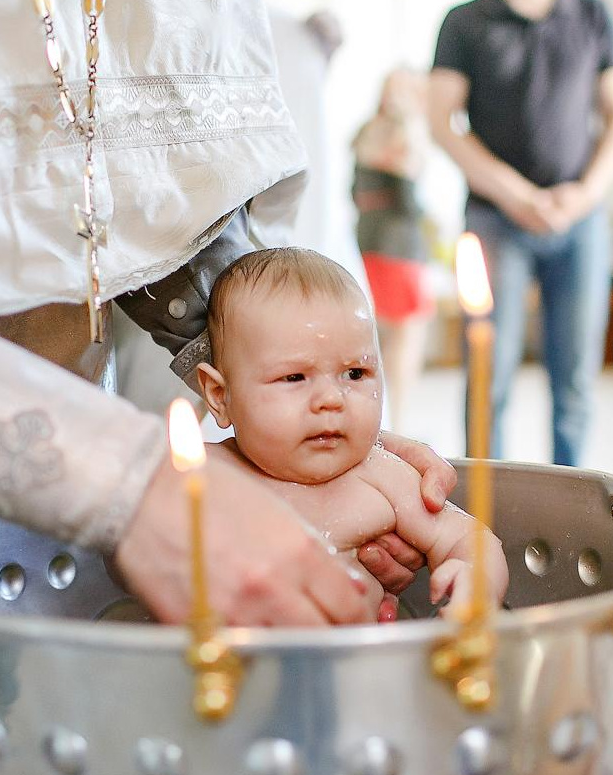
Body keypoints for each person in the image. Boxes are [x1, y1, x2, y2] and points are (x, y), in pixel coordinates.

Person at [0, 0, 456, 628]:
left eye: (357, 373)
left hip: (63, 429)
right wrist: (125, 484)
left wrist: (284, 388)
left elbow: (152, 170)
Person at [196, 247, 509, 620]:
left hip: (361, 672)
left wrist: (475, 582)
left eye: (355, 373)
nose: (331, 399)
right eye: (294, 377)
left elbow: (471, 540)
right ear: (219, 396)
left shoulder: (381, 477)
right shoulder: (205, 476)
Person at [429, 0, 613, 466]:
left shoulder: (592, 14)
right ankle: (484, 509)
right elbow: (442, 122)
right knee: (487, 376)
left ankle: (570, 504)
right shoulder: (463, 19)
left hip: (580, 220)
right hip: (494, 219)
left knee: (575, 380)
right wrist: (516, 195)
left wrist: (584, 195)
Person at [352, 68, 437, 432]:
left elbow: (353, 194)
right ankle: (397, 418)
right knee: (407, 334)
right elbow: (408, 202)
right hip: (401, 247)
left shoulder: (365, 134)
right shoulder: (405, 133)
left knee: (383, 334)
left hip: (369, 241)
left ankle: (384, 416)